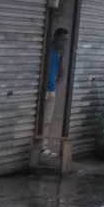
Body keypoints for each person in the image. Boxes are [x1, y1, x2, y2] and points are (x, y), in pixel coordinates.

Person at [42, 28, 69, 156]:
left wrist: (54, 84)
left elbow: (61, 73)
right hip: (43, 90)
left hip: (51, 90)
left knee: (47, 120)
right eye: (62, 39)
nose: (64, 43)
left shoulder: (59, 53)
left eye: (66, 40)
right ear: (56, 38)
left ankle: (43, 146)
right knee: (41, 119)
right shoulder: (46, 51)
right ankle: (41, 146)